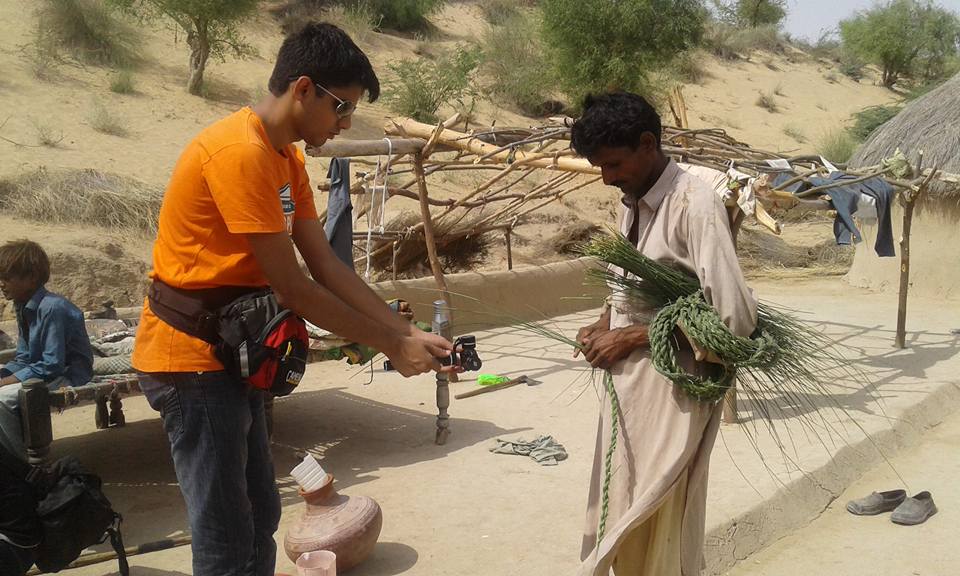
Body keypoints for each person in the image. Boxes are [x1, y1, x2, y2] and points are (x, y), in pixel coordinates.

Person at [131, 22, 456, 576]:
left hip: (236, 357)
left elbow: (327, 265)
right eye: (342, 108)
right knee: (225, 535)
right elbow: (293, 287)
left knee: (259, 516)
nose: (346, 123)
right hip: (192, 364)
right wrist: (387, 343)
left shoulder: (285, 159)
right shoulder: (239, 153)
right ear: (303, 89)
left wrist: (404, 334)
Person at [570, 92, 758, 576]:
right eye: (600, 168)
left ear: (648, 144)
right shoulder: (631, 201)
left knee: (660, 512)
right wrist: (603, 322)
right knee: (623, 500)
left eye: (614, 164)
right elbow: (627, 282)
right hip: (628, 390)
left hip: (675, 387)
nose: (608, 178)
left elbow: (733, 318)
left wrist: (632, 337)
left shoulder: (695, 204)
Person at [0, 240, 93, 461]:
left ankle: (21, 469)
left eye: (7, 278)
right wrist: (5, 374)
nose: (2, 284)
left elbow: (52, 365)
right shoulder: (23, 306)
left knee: (2, 401)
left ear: (31, 278)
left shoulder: (53, 308)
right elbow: (24, 357)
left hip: (67, 375)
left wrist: (6, 382)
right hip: (43, 372)